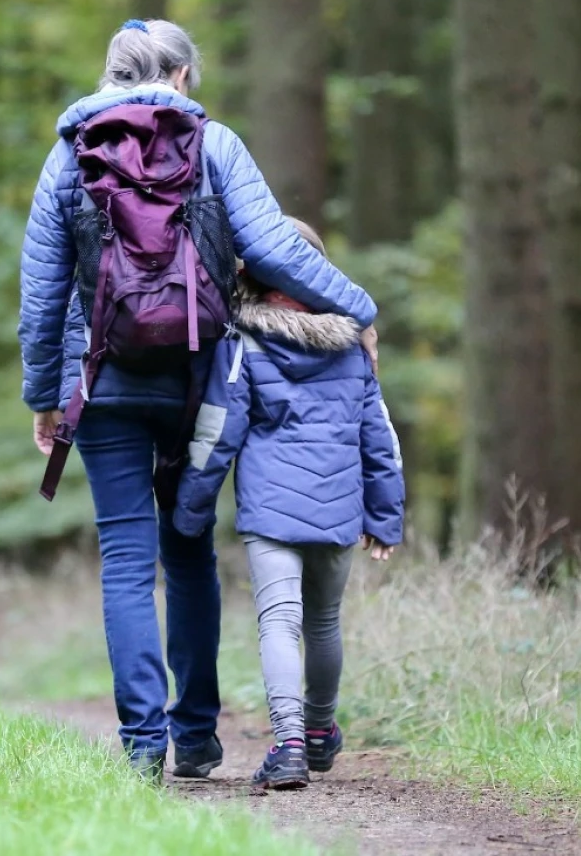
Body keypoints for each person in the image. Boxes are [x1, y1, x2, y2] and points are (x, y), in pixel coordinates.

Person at [18, 19, 379, 781]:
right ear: (181, 75)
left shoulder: (67, 156)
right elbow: (277, 248)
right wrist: (359, 309)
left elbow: (42, 292)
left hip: (104, 381)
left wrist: (45, 397)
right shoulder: (216, 145)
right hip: (200, 381)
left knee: (124, 557)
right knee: (188, 551)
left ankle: (143, 745)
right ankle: (199, 737)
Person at [175, 219, 404, 791]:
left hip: (272, 513)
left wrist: (191, 509)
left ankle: (290, 744)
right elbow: (380, 438)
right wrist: (385, 516)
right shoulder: (353, 346)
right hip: (339, 507)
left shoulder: (243, 342)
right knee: (324, 621)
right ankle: (322, 731)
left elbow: (217, 431)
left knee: (280, 622)